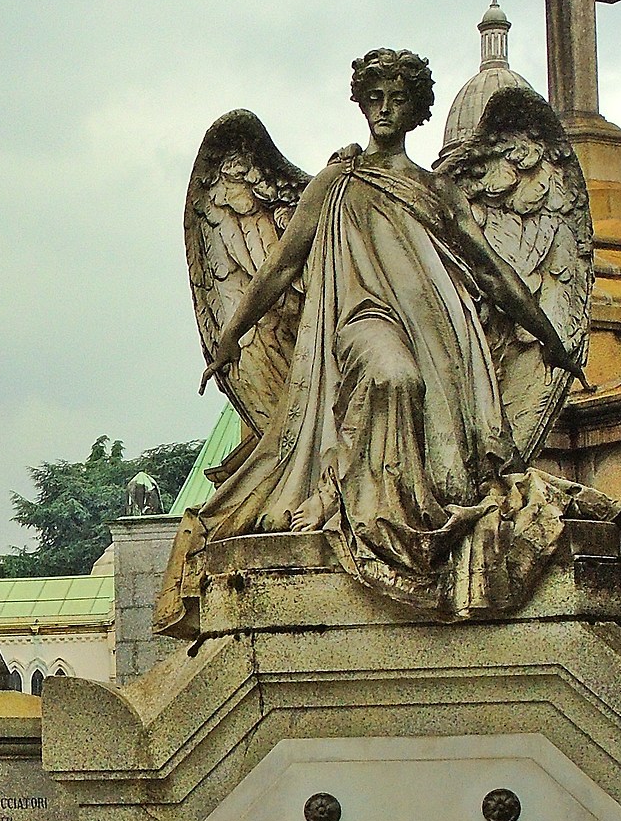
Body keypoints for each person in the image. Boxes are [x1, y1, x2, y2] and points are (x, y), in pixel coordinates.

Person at [194, 48, 580, 608]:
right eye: (374, 99)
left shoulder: (438, 190)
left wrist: (551, 338)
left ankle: (418, 516)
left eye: (397, 100)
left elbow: (494, 274)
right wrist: (230, 335)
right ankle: (367, 512)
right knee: (392, 376)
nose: (383, 110)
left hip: (437, 332)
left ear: (417, 111)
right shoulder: (337, 181)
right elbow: (281, 265)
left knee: (423, 385)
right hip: (360, 320)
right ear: (360, 103)